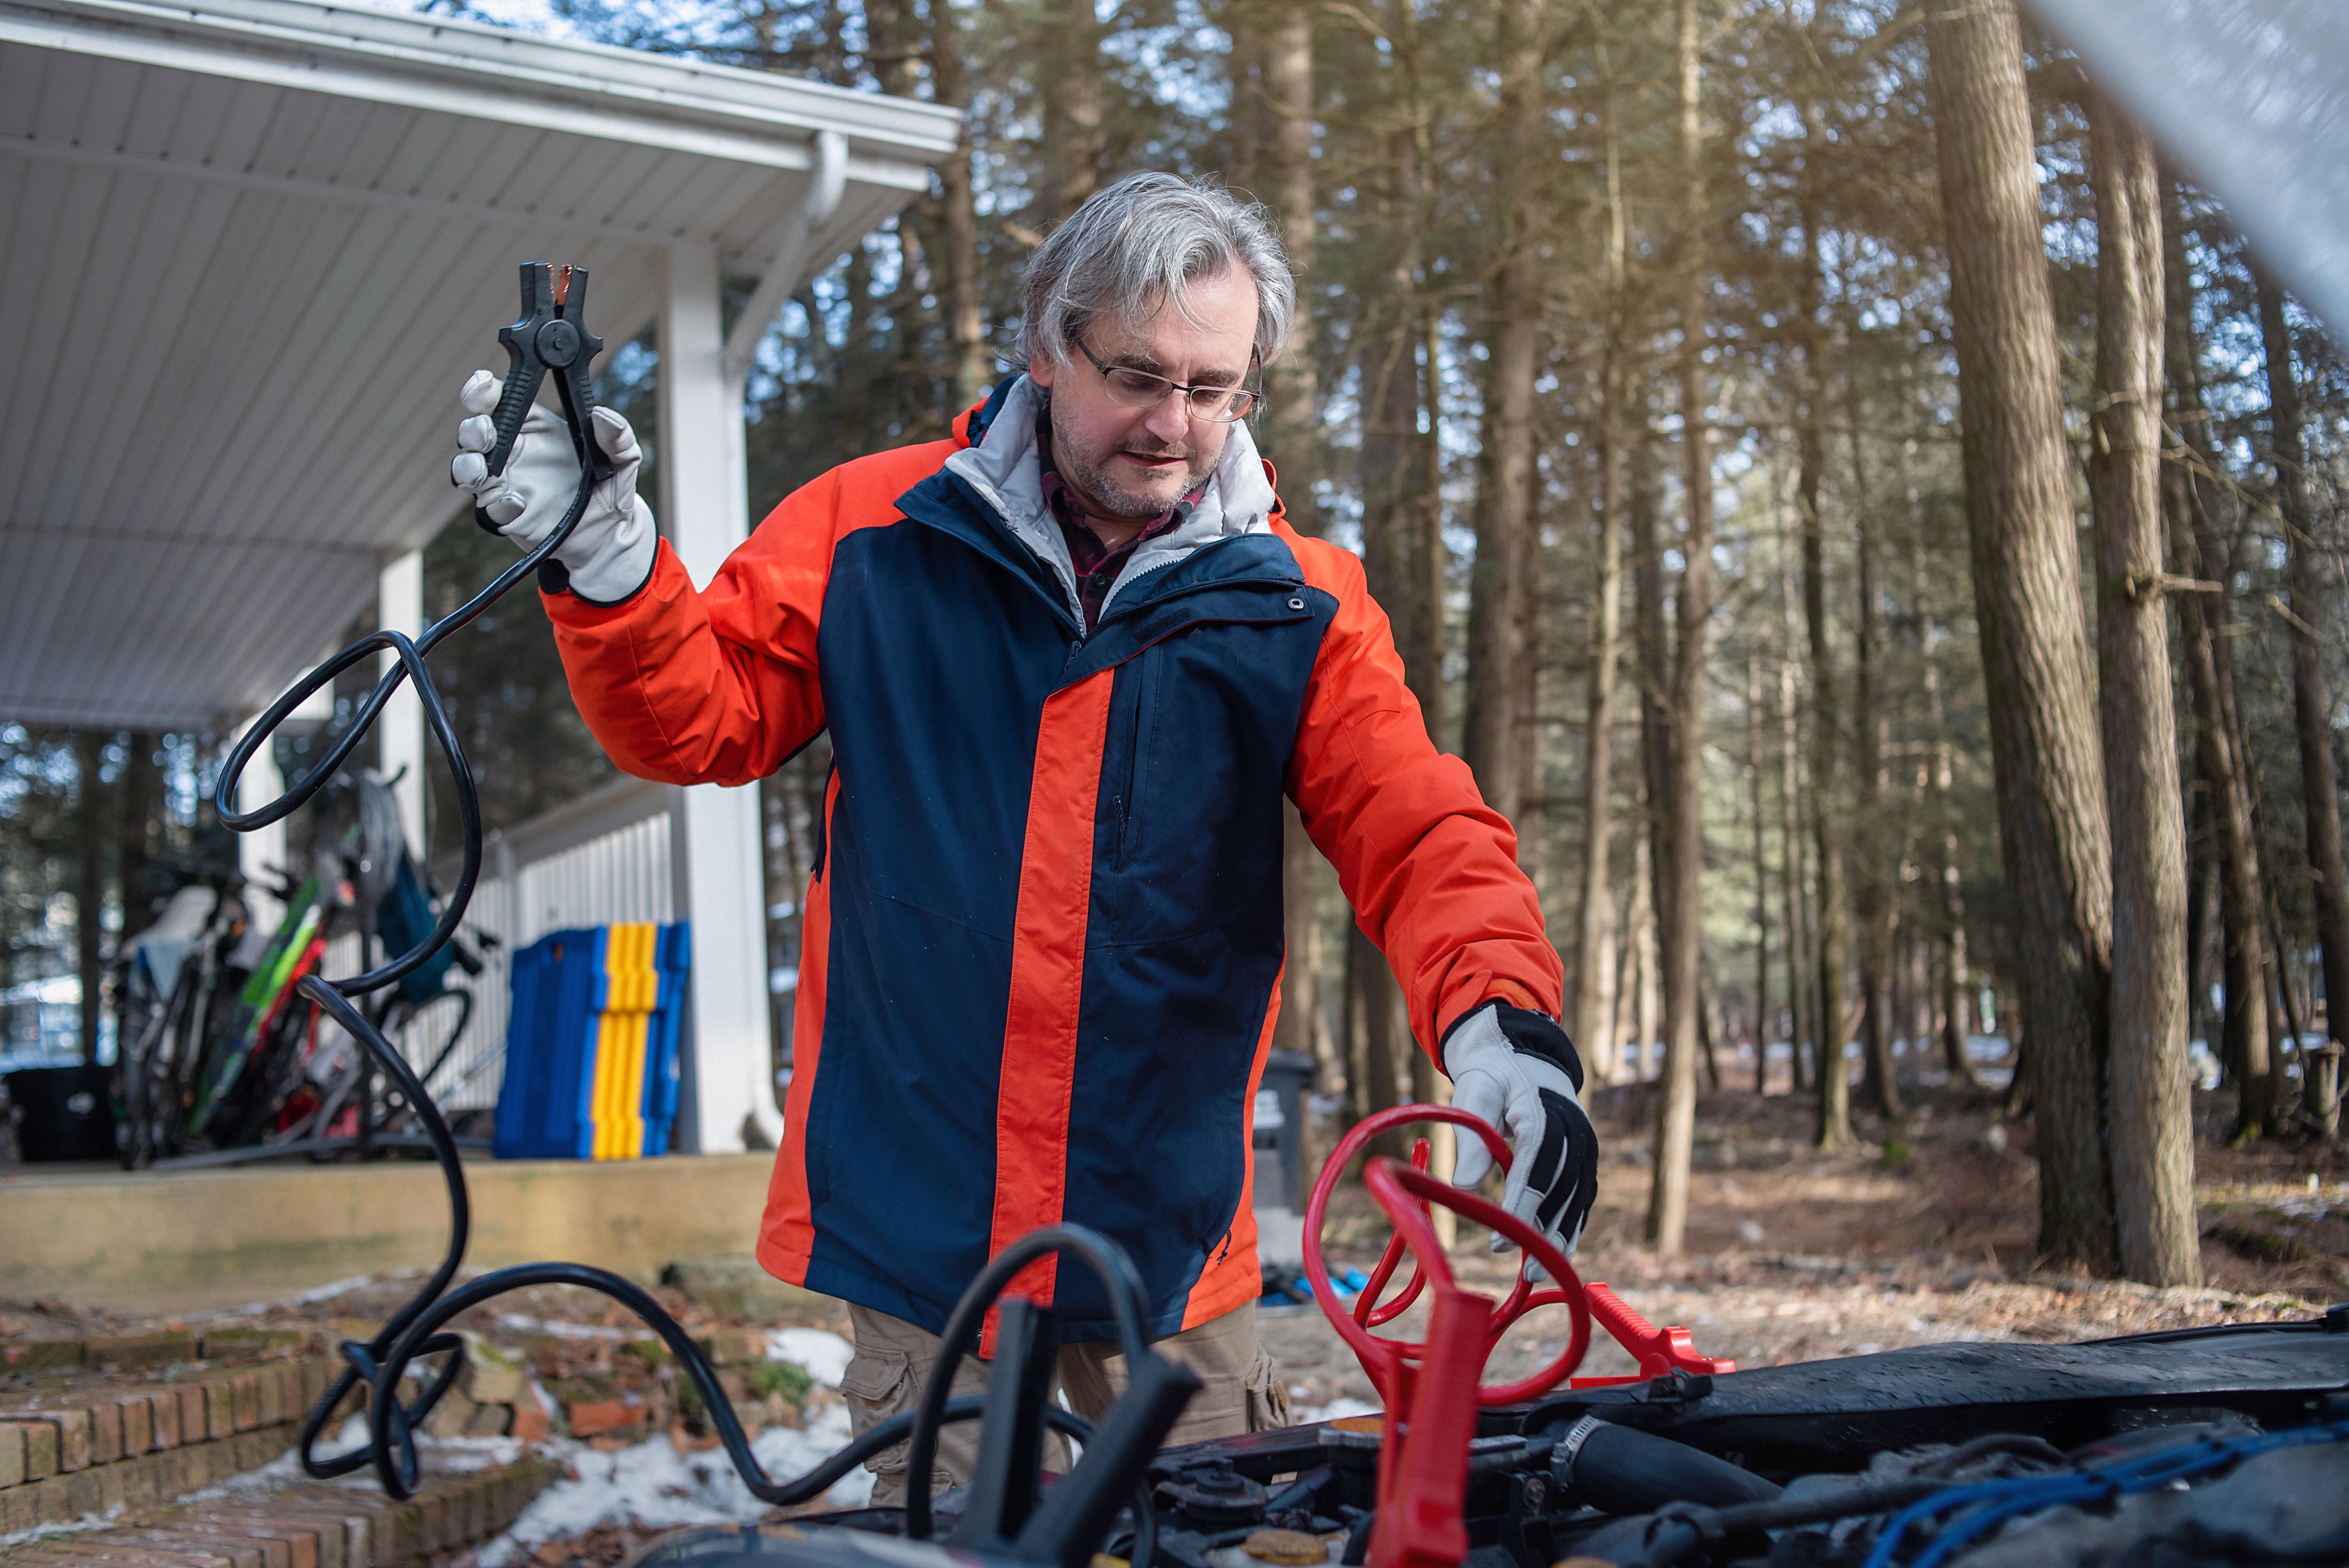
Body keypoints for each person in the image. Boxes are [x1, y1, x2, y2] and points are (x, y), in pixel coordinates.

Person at [449, 171, 1599, 1501]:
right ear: (1048, 347)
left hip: (1168, 1245)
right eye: (1139, 376)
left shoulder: (1302, 603)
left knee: (1218, 1532)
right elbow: (698, 721)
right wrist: (607, 564)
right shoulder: (875, 530)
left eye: (1217, 389)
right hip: (925, 1242)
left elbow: (1415, 824)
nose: (1177, 427)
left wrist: (1496, 1016)